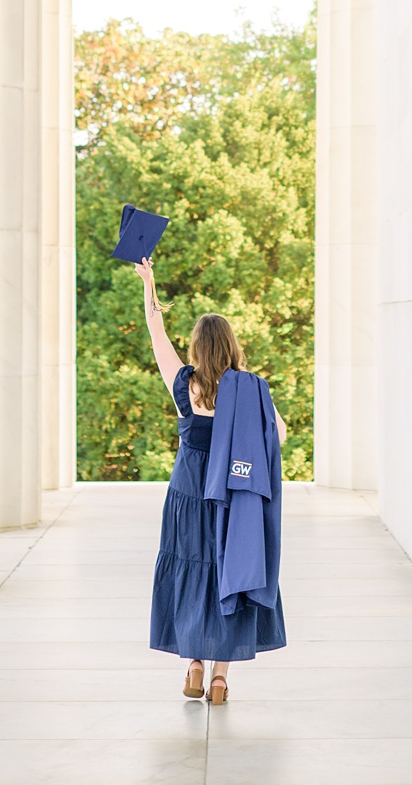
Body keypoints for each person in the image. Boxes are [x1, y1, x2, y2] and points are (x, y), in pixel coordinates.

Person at [135, 257, 288, 704]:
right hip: (232, 500)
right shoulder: (249, 388)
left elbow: (156, 335)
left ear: (199, 348)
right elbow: (277, 434)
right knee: (230, 575)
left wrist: (150, 286)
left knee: (190, 574)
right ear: (232, 345)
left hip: (187, 495)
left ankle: (194, 666)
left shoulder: (186, 386)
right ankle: (221, 677)